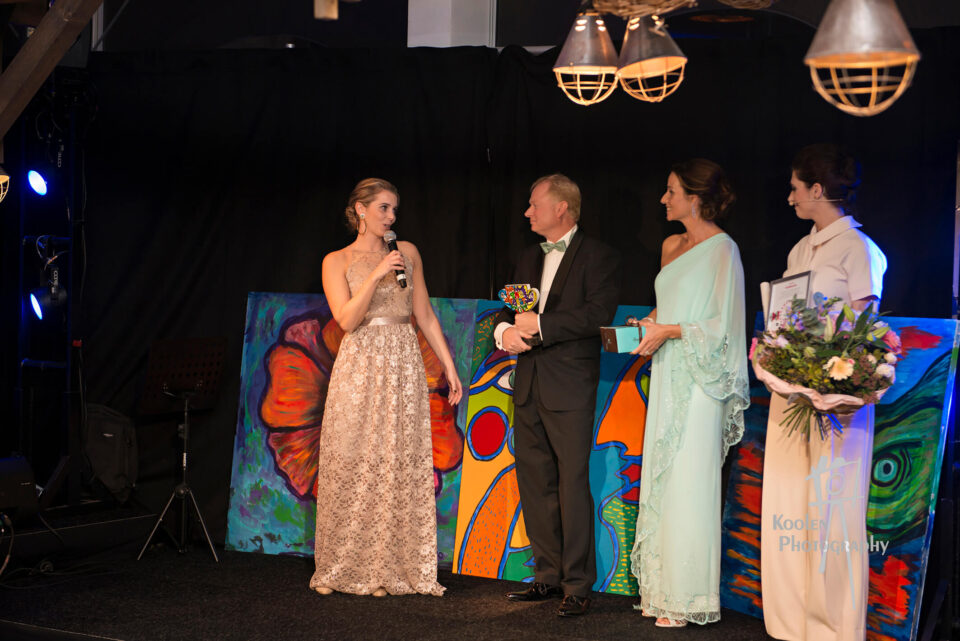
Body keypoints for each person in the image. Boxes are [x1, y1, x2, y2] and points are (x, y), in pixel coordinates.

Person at [309, 178, 462, 597]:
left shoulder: (407, 252)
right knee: (353, 460)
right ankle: (341, 569)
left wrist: (449, 367)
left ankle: (385, 570)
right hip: (360, 364)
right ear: (360, 210)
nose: (391, 217)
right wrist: (377, 273)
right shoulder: (336, 260)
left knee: (395, 463)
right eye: (383, 208)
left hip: (402, 364)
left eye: (394, 209)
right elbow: (346, 320)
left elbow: (424, 314)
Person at [760, 145, 886, 641]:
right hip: (791, 391)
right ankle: (791, 623)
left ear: (817, 189)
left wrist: (826, 365)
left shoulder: (858, 248)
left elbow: (864, 329)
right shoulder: (800, 248)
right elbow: (786, 317)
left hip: (837, 398)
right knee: (789, 503)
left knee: (831, 509)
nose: (790, 197)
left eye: (795, 188)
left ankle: (833, 628)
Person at [628, 159, 750, 628]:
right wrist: (647, 325)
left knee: (689, 479)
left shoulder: (724, 250)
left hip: (702, 379)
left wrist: (670, 330)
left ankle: (686, 598)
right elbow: (666, 306)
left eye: (672, 191)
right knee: (663, 476)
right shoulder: (670, 245)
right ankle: (660, 591)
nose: (664, 199)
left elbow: (724, 323)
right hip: (667, 370)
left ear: (695, 198)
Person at [496, 174, 621, 617]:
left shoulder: (599, 256)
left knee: (571, 485)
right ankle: (547, 577)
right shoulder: (528, 256)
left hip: (569, 386)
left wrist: (541, 325)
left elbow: (597, 314)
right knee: (535, 483)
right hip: (529, 384)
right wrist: (505, 331)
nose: (527, 212)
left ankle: (578, 584)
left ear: (561, 207)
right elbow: (510, 309)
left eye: (534, 204)